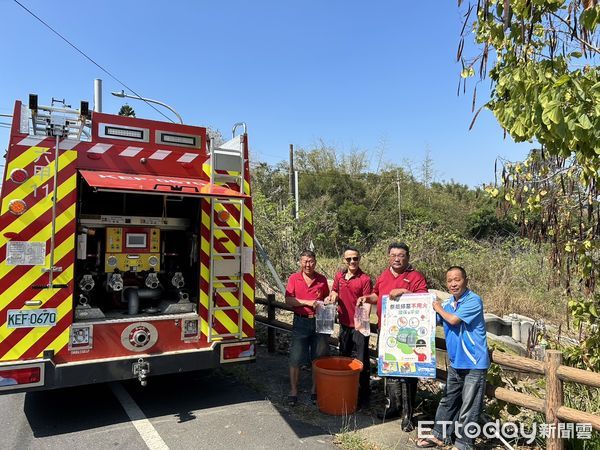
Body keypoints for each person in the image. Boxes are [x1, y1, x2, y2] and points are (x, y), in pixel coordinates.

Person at [416, 266, 490, 450]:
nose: (453, 284)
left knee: (469, 406)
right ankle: (440, 435)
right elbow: (434, 320)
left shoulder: (473, 300)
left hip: (474, 362)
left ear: (465, 280)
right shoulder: (449, 303)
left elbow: (453, 320)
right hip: (456, 362)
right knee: (448, 400)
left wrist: (438, 306)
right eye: (449, 281)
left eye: (457, 279)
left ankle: (464, 443)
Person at [358, 242, 428, 432]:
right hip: (386, 330)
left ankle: (407, 415)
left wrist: (406, 292)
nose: (397, 258)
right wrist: (367, 298)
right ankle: (393, 408)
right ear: (388, 256)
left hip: (407, 334)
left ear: (408, 257)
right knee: (390, 371)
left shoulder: (415, 277)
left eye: (401, 255)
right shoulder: (384, 275)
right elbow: (377, 295)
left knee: (407, 373)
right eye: (393, 255)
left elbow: (424, 302)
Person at [328, 245, 373, 408]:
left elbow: (368, 301)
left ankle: (363, 394)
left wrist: (363, 322)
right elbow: (334, 292)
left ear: (360, 258)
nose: (352, 261)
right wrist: (332, 296)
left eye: (355, 258)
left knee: (362, 361)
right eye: (349, 259)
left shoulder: (365, 279)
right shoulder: (339, 276)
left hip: (359, 326)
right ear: (344, 260)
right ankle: (344, 390)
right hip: (345, 325)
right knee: (344, 358)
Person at [284, 250, 330, 406]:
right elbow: (289, 300)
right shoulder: (294, 278)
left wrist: (329, 301)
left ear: (315, 262)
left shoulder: (322, 280)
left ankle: (315, 390)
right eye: (304, 261)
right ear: (300, 262)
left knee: (318, 357)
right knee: (295, 357)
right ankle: (293, 390)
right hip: (301, 322)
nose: (307, 264)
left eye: (310, 261)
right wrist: (308, 302)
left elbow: (326, 299)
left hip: (319, 322)